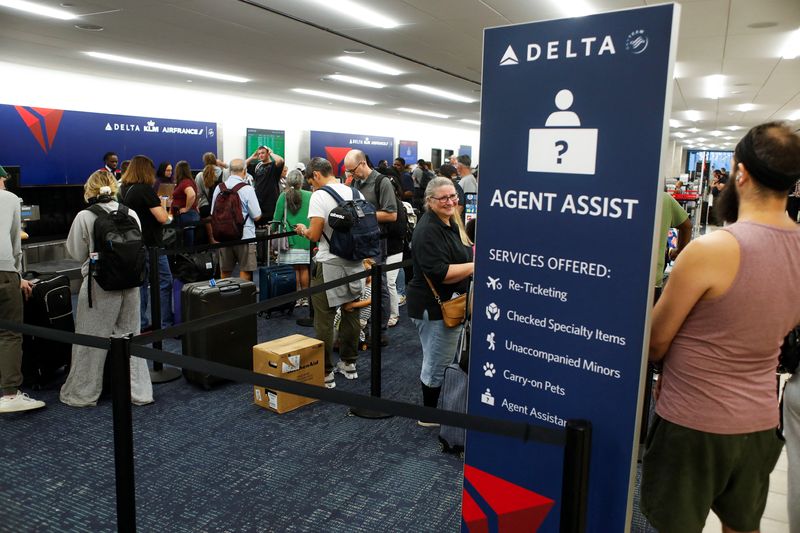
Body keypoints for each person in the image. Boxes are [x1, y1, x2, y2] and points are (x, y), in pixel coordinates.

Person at [642, 122, 800, 533]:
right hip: (761, 420)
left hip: (693, 423)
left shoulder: (713, 250)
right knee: (743, 525)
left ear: (741, 173)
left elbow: (656, 343)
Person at [60, 170, 153, 407]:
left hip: (99, 285)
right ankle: (140, 393)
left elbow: (75, 252)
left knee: (90, 341)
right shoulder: (129, 212)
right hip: (131, 285)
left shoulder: (85, 215)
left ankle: (82, 394)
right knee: (131, 338)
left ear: (89, 189)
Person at [294, 157, 365, 389]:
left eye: (311, 181)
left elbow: (315, 235)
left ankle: (325, 373)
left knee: (324, 319)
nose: (311, 186)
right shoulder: (355, 193)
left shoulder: (319, 195)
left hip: (329, 264)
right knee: (351, 312)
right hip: (355, 263)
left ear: (316, 175)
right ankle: (349, 364)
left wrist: (303, 230)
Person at [407, 177, 473, 426]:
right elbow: (440, 273)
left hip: (451, 303)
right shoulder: (427, 230)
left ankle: (442, 404)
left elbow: (463, 252)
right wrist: (475, 266)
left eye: (453, 196)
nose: (450, 201)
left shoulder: (450, 222)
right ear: (429, 202)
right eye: (443, 198)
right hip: (433, 307)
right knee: (437, 361)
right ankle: (429, 416)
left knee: (443, 357)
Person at [0, 178, 43, 413]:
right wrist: (18, 275)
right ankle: (9, 394)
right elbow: (15, 240)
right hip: (3, 270)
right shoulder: (9, 199)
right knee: (9, 333)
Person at [346, 149, 396, 342]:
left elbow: (391, 214)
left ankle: (380, 331)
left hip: (376, 241)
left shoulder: (382, 182)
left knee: (379, 286)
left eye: (352, 170)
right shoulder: (356, 183)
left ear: (362, 163)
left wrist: (363, 214)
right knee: (362, 285)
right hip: (359, 240)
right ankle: (364, 327)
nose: (350, 174)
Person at [119, 155, 173, 330]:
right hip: (152, 244)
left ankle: (141, 323)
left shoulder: (125, 189)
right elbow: (163, 218)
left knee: (141, 285)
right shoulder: (144, 190)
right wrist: (164, 204)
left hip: (135, 244)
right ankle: (166, 323)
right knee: (165, 281)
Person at [211, 158, 261, 282]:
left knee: (225, 271)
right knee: (245, 270)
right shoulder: (247, 189)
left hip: (224, 236)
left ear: (230, 171)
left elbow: (212, 212)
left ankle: (226, 299)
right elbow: (256, 215)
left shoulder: (219, 188)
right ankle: (244, 299)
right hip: (245, 236)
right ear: (244, 171)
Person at [272, 169, 312, 307]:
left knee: (295, 269)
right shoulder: (310, 195)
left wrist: (272, 232)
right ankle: (306, 298)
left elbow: (276, 219)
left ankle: (296, 297)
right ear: (302, 181)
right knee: (304, 268)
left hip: (289, 239)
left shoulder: (283, 196)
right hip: (306, 237)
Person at [654, 192, 692, 298]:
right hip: (652, 279)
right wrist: (679, 251)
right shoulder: (664, 198)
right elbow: (687, 226)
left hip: (610, 274)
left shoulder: (609, 196)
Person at [246, 146, 284, 225]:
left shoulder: (273, 166)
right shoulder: (257, 166)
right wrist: (252, 157)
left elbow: (280, 160)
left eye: (263, 153)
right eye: (259, 153)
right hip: (259, 202)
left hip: (271, 203)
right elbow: (243, 165)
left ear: (268, 153)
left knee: (270, 229)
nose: (260, 155)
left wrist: (271, 153)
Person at [196, 152, 228, 243]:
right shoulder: (224, 173)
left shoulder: (199, 175)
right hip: (221, 206)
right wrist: (223, 164)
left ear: (204, 162)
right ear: (216, 161)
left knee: (208, 224)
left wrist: (197, 205)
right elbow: (237, 169)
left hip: (205, 207)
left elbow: (198, 194)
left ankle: (211, 239)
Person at [171, 160, 201, 247]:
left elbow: (191, 194)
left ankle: (187, 255)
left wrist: (186, 208)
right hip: (188, 214)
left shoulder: (185, 182)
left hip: (187, 215)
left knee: (187, 237)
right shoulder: (187, 181)